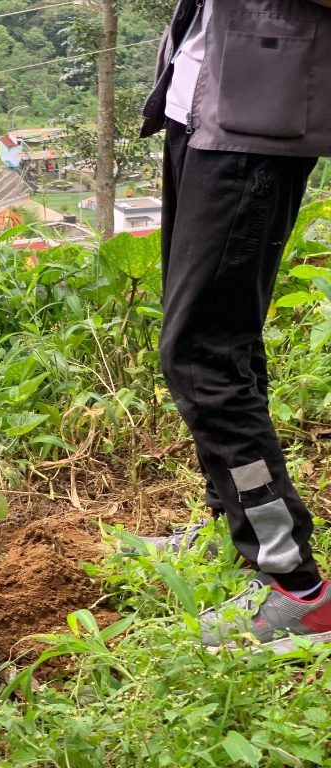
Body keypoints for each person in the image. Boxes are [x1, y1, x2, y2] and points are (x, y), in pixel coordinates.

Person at [139, 0, 331, 650]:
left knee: (201, 356)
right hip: (201, 102)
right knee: (219, 340)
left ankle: (292, 582)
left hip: (255, 123)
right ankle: (234, 517)